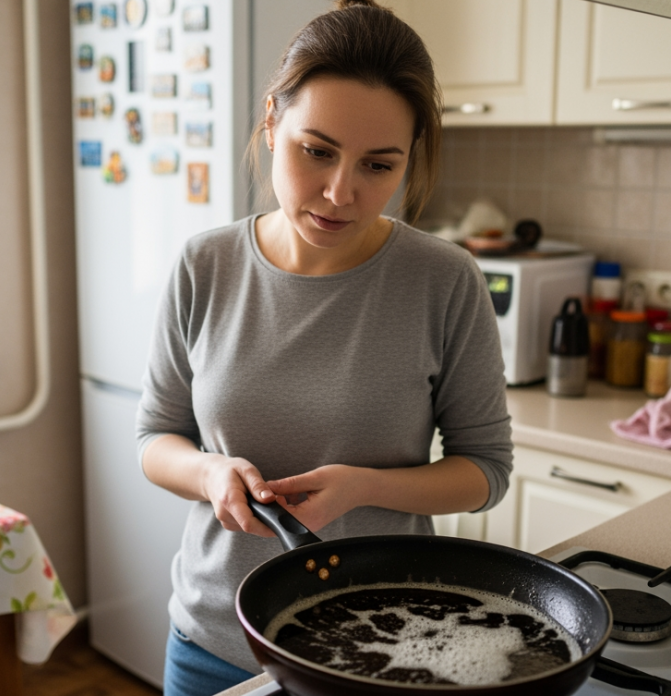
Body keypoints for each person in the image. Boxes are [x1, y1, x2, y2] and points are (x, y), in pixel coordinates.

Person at [135, 2, 513, 694]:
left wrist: (364, 488)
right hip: (213, 644)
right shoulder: (204, 266)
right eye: (317, 150)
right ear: (273, 120)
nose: (341, 192)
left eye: (378, 164)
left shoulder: (444, 280)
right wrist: (210, 474)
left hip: (385, 649)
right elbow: (155, 439)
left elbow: (485, 470)